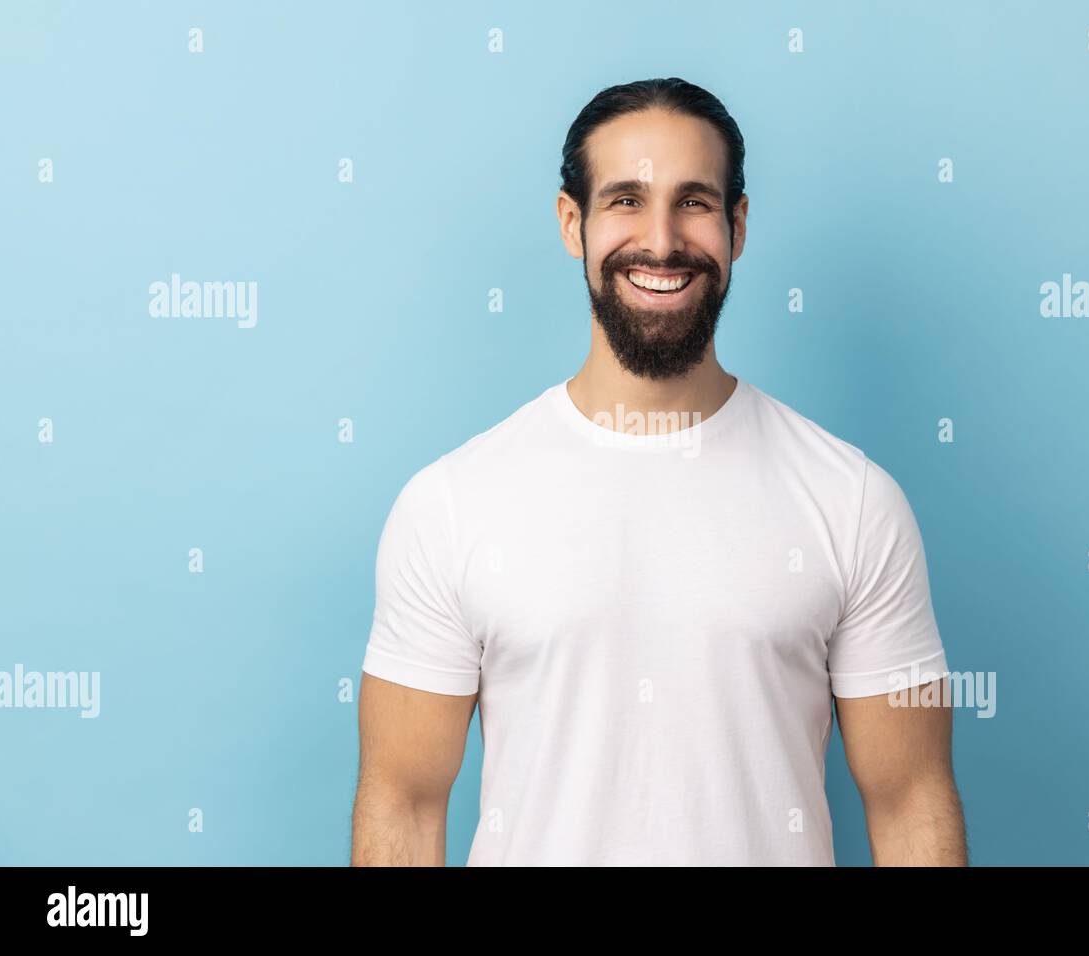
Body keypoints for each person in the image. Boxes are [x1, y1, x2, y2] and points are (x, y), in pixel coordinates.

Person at [351, 77, 966, 866]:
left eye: (695, 202)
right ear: (573, 223)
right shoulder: (450, 506)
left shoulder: (853, 502)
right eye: (627, 200)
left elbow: (911, 802)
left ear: (738, 226)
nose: (663, 240)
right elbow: (403, 804)